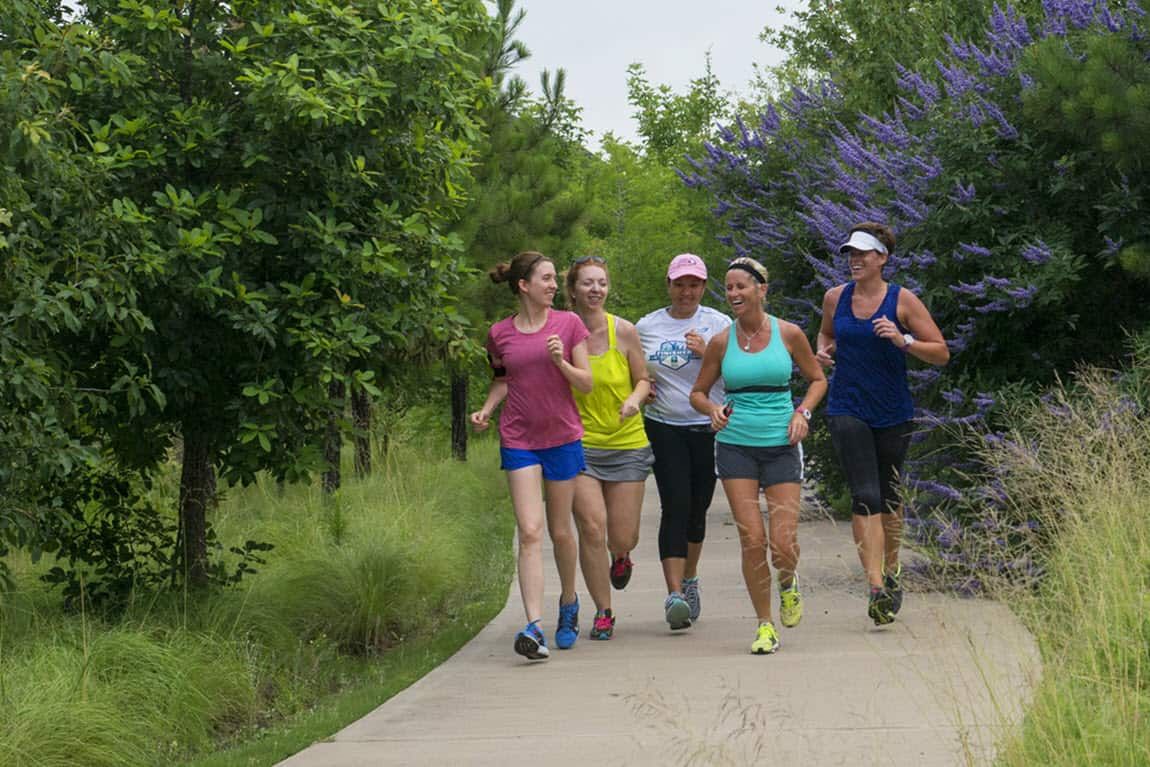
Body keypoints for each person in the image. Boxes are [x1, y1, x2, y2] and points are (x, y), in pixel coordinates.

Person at [689, 256, 827, 655]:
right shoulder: (721, 342)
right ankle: (765, 624)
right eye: (729, 287)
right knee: (752, 539)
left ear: (761, 290)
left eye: (741, 286)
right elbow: (698, 393)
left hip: (781, 444)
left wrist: (803, 413)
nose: (733, 293)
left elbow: (818, 379)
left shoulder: (789, 334)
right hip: (736, 446)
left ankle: (788, 581)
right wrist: (712, 410)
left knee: (782, 544)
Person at [817, 223, 949, 626]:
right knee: (865, 495)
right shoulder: (835, 297)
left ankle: (892, 569)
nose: (854, 260)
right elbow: (824, 334)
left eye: (862, 253)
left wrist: (903, 340)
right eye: (850, 254)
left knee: (889, 497)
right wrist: (823, 353)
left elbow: (940, 352)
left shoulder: (902, 300)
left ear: (882, 258)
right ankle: (875, 586)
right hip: (847, 406)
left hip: (892, 411)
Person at [471, 251, 594, 660]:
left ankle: (569, 602)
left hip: (562, 436)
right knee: (528, 531)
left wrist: (560, 361)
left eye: (555, 279)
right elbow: (503, 380)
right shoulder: (499, 334)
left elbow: (586, 384)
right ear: (524, 285)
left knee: (561, 531)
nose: (554, 285)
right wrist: (487, 410)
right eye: (546, 278)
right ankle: (534, 627)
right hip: (519, 438)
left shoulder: (569, 324)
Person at [636, 253, 728, 632]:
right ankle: (674, 595)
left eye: (693, 285)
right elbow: (633, 367)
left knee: (697, 508)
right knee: (675, 504)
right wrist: (642, 386)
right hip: (665, 425)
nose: (686, 292)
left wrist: (708, 354)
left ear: (704, 287)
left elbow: (739, 372)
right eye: (679, 284)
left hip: (708, 425)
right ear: (669, 285)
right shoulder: (647, 326)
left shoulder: (719, 324)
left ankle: (690, 578)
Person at [565, 256, 653, 641]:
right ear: (573, 290)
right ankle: (604, 611)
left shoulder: (625, 331)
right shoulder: (562, 332)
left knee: (621, 536)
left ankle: (622, 556)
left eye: (601, 282)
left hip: (627, 443)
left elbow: (644, 379)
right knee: (591, 528)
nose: (595, 289)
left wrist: (634, 399)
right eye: (587, 283)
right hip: (579, 444)